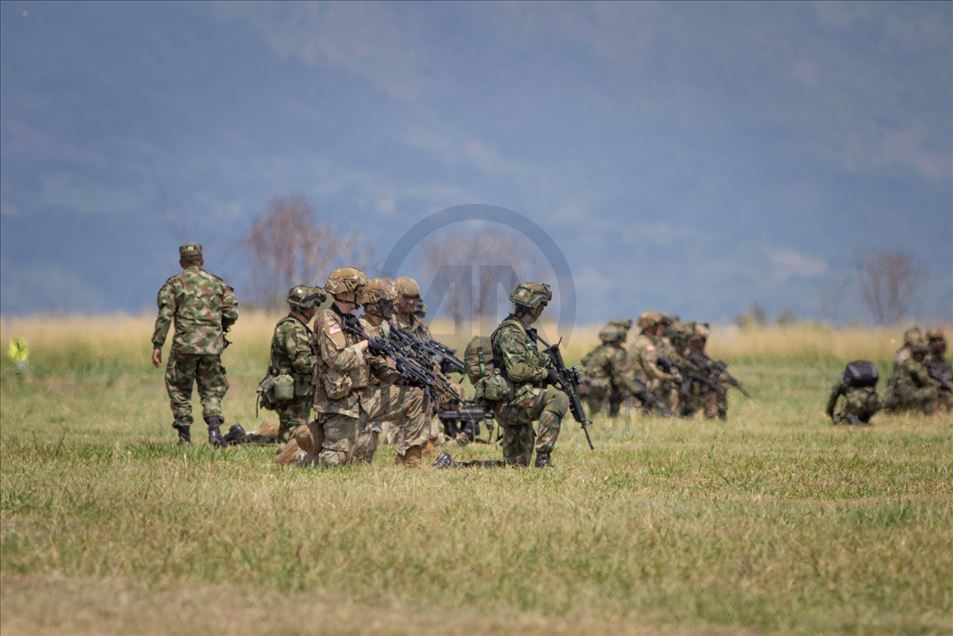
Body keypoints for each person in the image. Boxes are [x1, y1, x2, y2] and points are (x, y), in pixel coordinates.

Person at [278, 267, 428, 468]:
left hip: (363, 397)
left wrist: (399, 376)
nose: (363, 295)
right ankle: (293, 456)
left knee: (416, 396)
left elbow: (369, 362)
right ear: (346, 292)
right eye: (359, 290)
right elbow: (338, 359)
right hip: (339, 403)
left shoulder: (352, 322)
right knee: (335, 464)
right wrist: (366, 344)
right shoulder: (328, 319)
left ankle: (409, 461)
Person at [151, 243, 238, 445]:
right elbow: (232, 312)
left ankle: (184, 438)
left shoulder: (174, 284)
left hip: (185, 346)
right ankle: (214, 432)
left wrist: (157, 344)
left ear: (181, 262)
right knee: (212, 389)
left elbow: (165, 315)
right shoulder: (217, 284)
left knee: (179, 389)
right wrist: (218, 327)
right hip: (211, 347)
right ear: (202, 260)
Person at [490, 282, 569, 467]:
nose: (542, 310)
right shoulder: (511, 332)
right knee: (558, 398)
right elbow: (516, 371)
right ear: (534, 307)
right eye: (541, 305)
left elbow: (524, 362)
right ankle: (543, 458)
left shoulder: (522, 332)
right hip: (510, 403)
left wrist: (545, 361)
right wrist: (545, 374)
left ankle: (455, 465)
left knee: (516, 466)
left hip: (515, 400)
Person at [263, 285, 324, 442]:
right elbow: (303, 363)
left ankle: (250, 438)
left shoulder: (295, 327)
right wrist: (329, 363)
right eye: (314, 305)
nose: (315, 310)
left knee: (291, 431)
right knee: (293, 435)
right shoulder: (292, 329)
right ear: (306, 307)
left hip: (298, 391)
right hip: (293, 394)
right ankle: (247, 440)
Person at [579, 319, 647, 417]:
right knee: (619, 386)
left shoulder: (598, 350)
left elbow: (584, 362)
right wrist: (640, 393)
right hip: (602, 389)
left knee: (595, 416)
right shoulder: (616, 353)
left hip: (588, 386)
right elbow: (623, 377)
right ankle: (613, 414)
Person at [628, 312, 681, 412]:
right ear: (651, 327)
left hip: (636, 381)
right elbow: (650, 370)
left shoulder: (641, 341)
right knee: (670, 387)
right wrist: (670, 377)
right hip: (639, 383)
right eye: (658, 325)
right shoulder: (646, 345)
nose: (662, 328)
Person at [677, 323, 727, 420]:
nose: (703, 343)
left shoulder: (700, 353)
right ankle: (689, 413)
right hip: (688, 390)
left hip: (698, 387)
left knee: (719, 387)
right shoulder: (687, 355)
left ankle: (718, 416)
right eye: (701, 340)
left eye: (704, 340)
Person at [883, 343, 939, 415]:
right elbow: (925, 380)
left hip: (896, 397)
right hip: (908, 397)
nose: (924, 357)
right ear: (918, 355)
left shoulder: (904, 363)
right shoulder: (914, 365)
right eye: (923, 354)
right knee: (932, 389)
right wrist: (938, 384)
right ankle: (928, 414)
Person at [925, 328, 952, 411]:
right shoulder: (927, 357)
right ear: (932, 342)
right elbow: (935, 376)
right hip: (935, 388)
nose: (941, 343)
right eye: (938, 340)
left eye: (941, 340)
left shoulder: (939, 356)